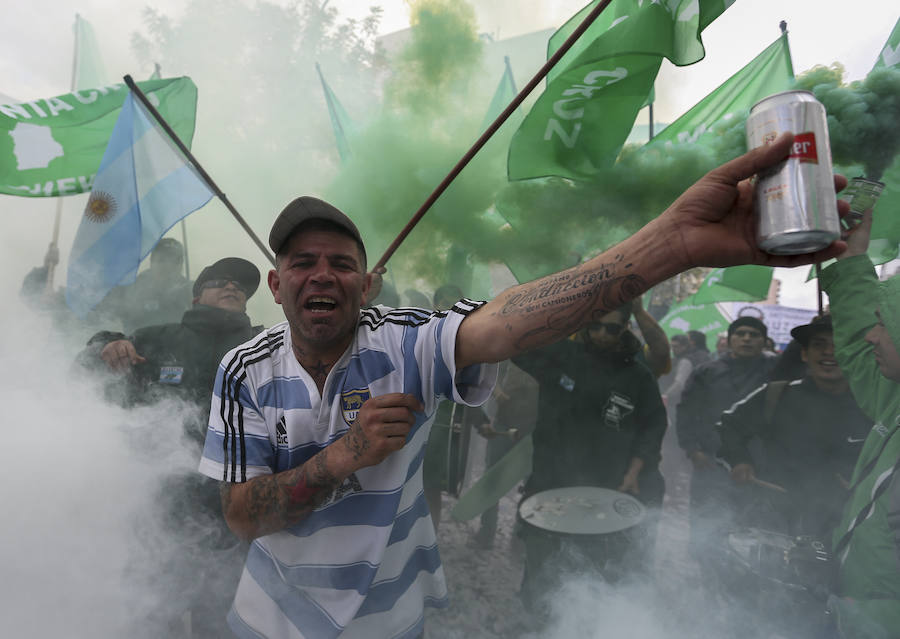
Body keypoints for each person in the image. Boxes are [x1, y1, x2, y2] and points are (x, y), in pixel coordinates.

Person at [196, 134, 848, 639]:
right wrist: (346, 454)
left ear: (367, 287)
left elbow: (506, 321)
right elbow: (242, 516)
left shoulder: (403, 341)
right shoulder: (243, 369)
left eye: (341, 264)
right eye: (302, 263)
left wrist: (671, 246)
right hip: (270, 620)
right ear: (276, 285)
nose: (321, 275)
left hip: (389, 619)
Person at [79, 257, 262, 638]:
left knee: (224, 625)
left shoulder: (266, 348)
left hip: (237, 516)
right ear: (196, 297)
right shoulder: (155, 338)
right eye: (220, 281)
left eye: (240, 286)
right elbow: (83, 370)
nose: (232, 287)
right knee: (152, 619)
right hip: (161, 512)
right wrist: (107, 343)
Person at [512, 300, 667, 605]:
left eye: (611, 328)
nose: (601, 334)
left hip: (607, 485)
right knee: (541, 562)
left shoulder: (638, 375)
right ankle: (532, 616)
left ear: (625, 328)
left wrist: (635, 470)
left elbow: (653, 425)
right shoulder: (561, 356)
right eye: (594, 326)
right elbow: (516, 344)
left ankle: (587, 618)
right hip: (551, 479)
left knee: (595, 567)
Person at [717, 314, 871, 540]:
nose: (829, 352)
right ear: (804, 354)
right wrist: (740, 461)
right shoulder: (776, 395)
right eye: (819, 345)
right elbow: (728, 425)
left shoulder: (873, 405)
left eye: (839, 345)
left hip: (854, 526)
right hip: (779, 524)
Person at [820, 210, 900, 637]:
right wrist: (852, 258)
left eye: (883, 324)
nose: (872, 335)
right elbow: (856, 342)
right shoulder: (896, 399)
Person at [676, 316, 777, 572]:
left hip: (758, 464)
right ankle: (708, 576)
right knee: (708, 524)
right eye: (740, 334)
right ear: (730, 339)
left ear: (764, 341)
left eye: (754, 334)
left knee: (754, 530)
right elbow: (686, 411)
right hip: (711, 461)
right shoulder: (707, 372)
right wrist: (693, 449)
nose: (746, 339)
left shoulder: (776, 370)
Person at [96, 237, 194, 334]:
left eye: (175, 261)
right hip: (137, 342)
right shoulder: (132, 288)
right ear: (152, 262)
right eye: (161, 260)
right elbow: (104, 310)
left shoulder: (192, 291)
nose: (168, 266)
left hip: (179, 343)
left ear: (182, 264)